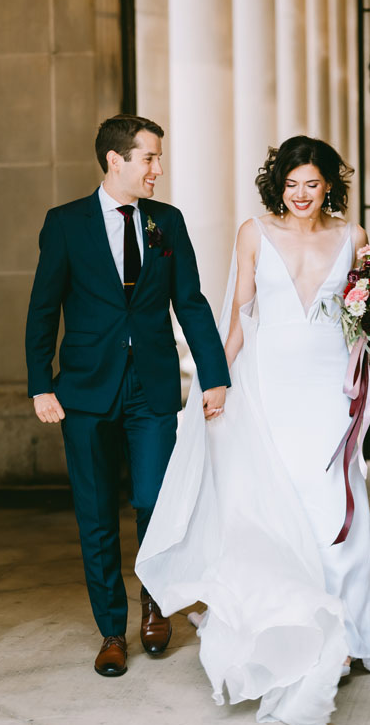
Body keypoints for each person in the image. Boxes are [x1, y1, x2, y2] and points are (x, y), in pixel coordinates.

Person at [136, 135, 370, 725]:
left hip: (330, 388)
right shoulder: (254, 233)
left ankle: (349, 634)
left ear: (330, 184)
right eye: (292, 184)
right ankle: (289, 628)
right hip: (270, 387)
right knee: (276, 508)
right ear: (281, 185)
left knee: (333, 503)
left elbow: (367, 322)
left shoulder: (353, 239)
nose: (302, 196)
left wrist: (366, 375)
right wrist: (216, 384)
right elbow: (239, 318)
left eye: (313, 184)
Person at [25, 114, 231, 678]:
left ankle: (155, 604)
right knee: (95, 515)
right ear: (116, 160)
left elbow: (189, 301)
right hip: (85, 391)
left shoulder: (168, 222)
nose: (158, 170)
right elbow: (44, 308)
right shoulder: (65, 224)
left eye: (158, 159)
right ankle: (111, 631)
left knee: (154, 502)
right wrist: (40, 382)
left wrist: (214, 374)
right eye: (149, 159)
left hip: (153, 388)